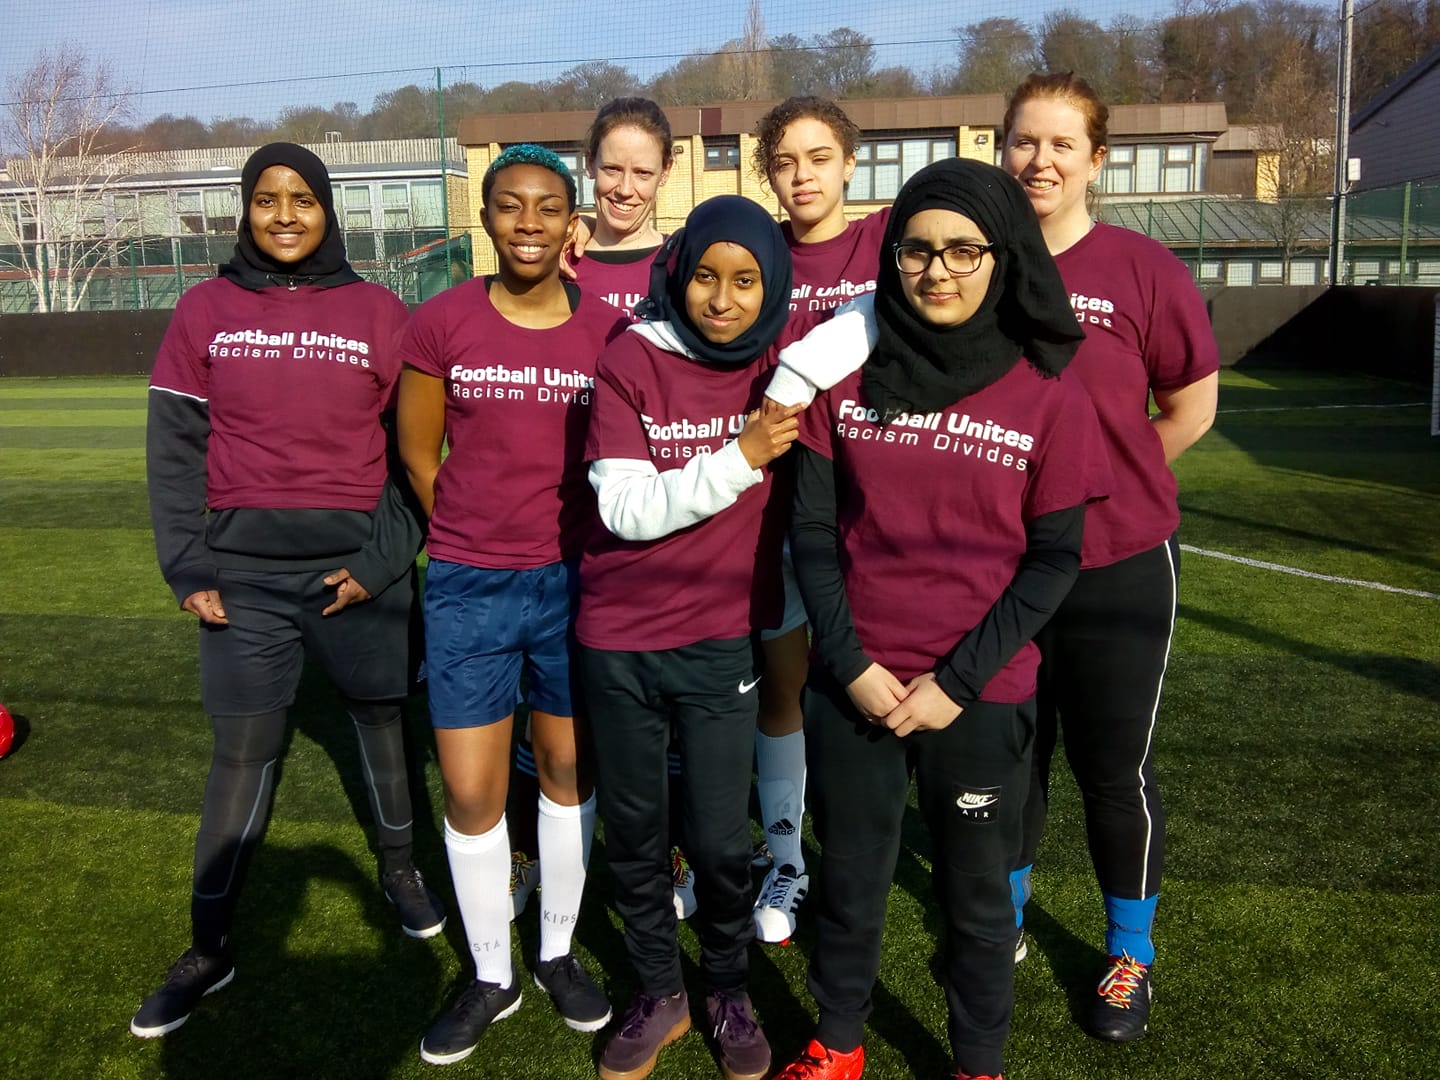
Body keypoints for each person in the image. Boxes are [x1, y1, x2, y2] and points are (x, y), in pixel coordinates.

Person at [766, 158, 1111, 1080]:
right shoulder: (848, 380)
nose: (938, 272)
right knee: (849, 878)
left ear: (1005, 258)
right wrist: (849, 664)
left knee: (976, 897)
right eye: (917, 251)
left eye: (965, 250)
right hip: (858, 685)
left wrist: (956, 684)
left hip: (978, 696)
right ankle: (837, 1044)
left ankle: (977, 1063)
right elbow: (811, 535)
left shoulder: (1049, 393)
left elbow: (1054, 561)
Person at [133, 142, 444, 1038]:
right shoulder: (203, 311)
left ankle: (399, 871)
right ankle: (209, 945)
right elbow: (174, 454)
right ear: (244, 209)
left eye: (301, 198)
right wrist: (189, 567)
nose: (283, 214)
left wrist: (381, 566)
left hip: (356, 572)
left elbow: (414, 459)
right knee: (244, 750)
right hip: (244, 581)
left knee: (382, 719)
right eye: (266, 198)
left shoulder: (381, 312)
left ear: (328, 209)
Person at [395, 145, 627, 1065]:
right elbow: (418, 454)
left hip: (578, 584)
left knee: (568, 776)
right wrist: (470, 537)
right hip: (467, 586)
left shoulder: (611, 330)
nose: (527, 223)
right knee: (471, 788)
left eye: (545, 208)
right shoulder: (442, 320)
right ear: (485, 218)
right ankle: (492, 974)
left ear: (573, 224)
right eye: (507, 206)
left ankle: (560, 953)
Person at [1000, 71, 1219, 1042]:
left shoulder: (1142, 269)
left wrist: (1109, 477)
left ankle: (1129, 954)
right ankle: (995, 927)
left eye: (1059, 145)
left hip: (1120, 562)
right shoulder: (975, 265)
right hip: (1000, 565)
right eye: (1022, 142)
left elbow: (1192, 405)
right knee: (1010, 757)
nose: (1038, 161)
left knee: (1110, 767)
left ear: (1097, 160)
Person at [578, 195, 817, 1080]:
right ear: (678, 274)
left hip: (720, 640)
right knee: (639, 834)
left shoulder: (780, 369)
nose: (722, 298)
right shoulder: (630, 358)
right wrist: (743, 455)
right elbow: (626, 508)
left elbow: (877, 321)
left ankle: (725, 989)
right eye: (707, 276)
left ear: (773, 284)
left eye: (746, 279)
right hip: (620, 638)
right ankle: (658, 991)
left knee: (720, 840)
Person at [506, 98, 691, 923]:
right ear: (589, 167)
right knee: (547, 702)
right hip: (550, 521)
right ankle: (535, 849)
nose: (625, 185)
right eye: (611, 167)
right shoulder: (556, 260)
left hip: (651, 527)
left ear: (665, 175)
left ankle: (665, 846)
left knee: (655, 706)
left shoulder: (687, 264)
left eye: (642, 170)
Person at [739, 95, 894, 943]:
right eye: (786, 162)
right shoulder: (753, 251)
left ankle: (885, 852)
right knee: (785, 689)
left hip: (870, 506)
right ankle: (789, 863)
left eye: (819, 158)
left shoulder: (886, 239)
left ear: (849, 164)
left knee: (875, 682)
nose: (803, 176)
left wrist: (802, 369)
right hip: (772, 509)